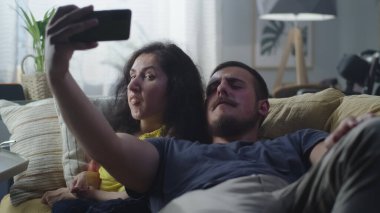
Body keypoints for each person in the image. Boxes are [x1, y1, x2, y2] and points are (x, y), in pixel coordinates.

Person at [46, 5, 380, 213]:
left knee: (371, 134)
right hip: (213, 201)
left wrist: (346, 145)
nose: (221, 89)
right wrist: (58, 74)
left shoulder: (296, 140)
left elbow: (331, 158)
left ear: (263, 107)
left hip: (298, 196)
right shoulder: (171, 151)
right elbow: (110, 147)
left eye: (235, 85)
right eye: (214, 87)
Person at [42, 38, 210, 212]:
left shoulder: (175, 144)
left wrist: (91, 195)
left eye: (149, 76)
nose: (132, 85)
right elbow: (98, 169)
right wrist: (88, 177)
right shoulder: (122, 133)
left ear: (176, 88)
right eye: (132, 75)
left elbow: (142, 198)